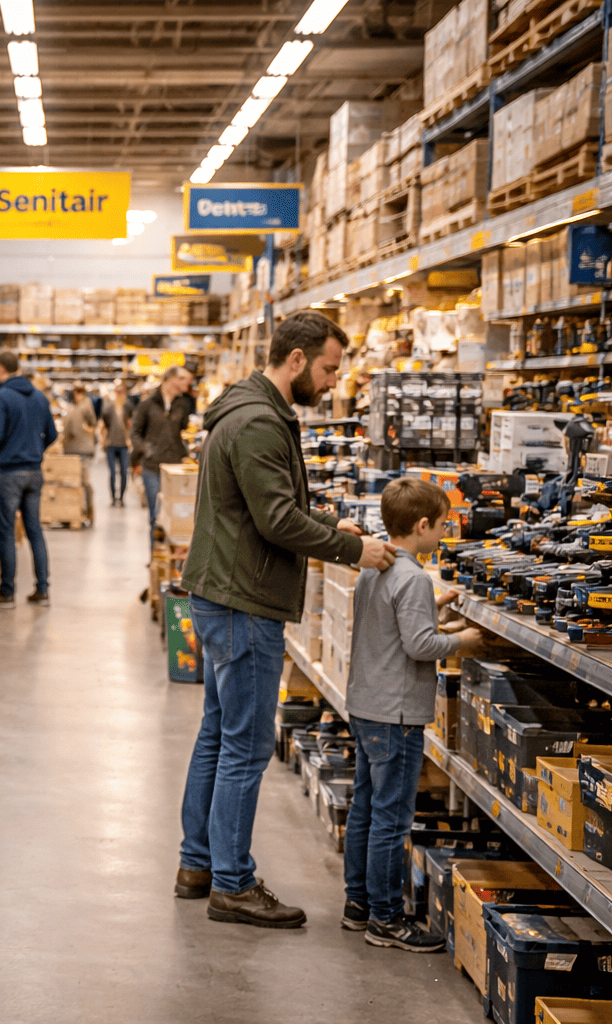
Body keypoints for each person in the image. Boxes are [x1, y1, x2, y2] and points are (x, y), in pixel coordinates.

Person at [175, 310, 398, 928]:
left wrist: (329, 526)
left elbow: (264, 509)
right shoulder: (256, 423)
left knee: (217, 737)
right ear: (296, 359)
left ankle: (198, 865)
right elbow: (275, 520)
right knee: (245, 750)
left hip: (226, 591)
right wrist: (355, 549)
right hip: (243, 601)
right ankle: (232, 885)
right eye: (328, 368)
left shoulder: (250, 411)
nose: (332, 381)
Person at [341, 477, 482, 951]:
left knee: (364, 809)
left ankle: (357, 904)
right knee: (391, 820)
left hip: (365, 705)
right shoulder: (415, 578)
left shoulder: (374, 567)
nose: (444, 533)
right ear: (421, 525)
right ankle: (386, 918)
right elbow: (420, 645)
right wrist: (463, 640)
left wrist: (432, 606)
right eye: (442, 526)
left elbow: (391, 623)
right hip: (396, 716)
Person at [0, 350, 57, 608]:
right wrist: (33, 450)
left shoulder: (2, 396)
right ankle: (42, 590)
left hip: (10, 474)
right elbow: (52, 434)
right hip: (34, 472)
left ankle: (7, 592)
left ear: (0, 369)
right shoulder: (40, 396)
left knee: (7, 533)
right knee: (35, 531)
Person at [130, 365, 194, 548]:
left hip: (175, 468)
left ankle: (173, 560)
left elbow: (183, 430)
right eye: (182, 379)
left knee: (177, 514)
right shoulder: (147, 405)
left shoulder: (183, 404)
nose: (187, 382)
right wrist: (147, 450)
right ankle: (156, 559)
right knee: (156, 515)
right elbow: (135, 433)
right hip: (153, 467)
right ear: (170, 380)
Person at [60, 383, 98, 522]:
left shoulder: (86, 406)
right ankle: (76, 509)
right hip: (72, 448)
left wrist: (87, 430)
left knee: (83, 479)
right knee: (76, 480)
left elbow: (93, 424)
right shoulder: (74, 406)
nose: (77, 395)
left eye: (79, 392)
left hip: (82, 448)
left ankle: (88, 509)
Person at [100, 381, 131, 507]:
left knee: (124, 472)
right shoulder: (108, 407)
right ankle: (113, 498)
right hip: (111, 444)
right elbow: (105, 425)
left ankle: (122, 497)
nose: (120, 394)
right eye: (117, 392)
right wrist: (104, 439)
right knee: (112, 473)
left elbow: (131, 424)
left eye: (121, 392)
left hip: (124, 445)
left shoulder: (128, 406)